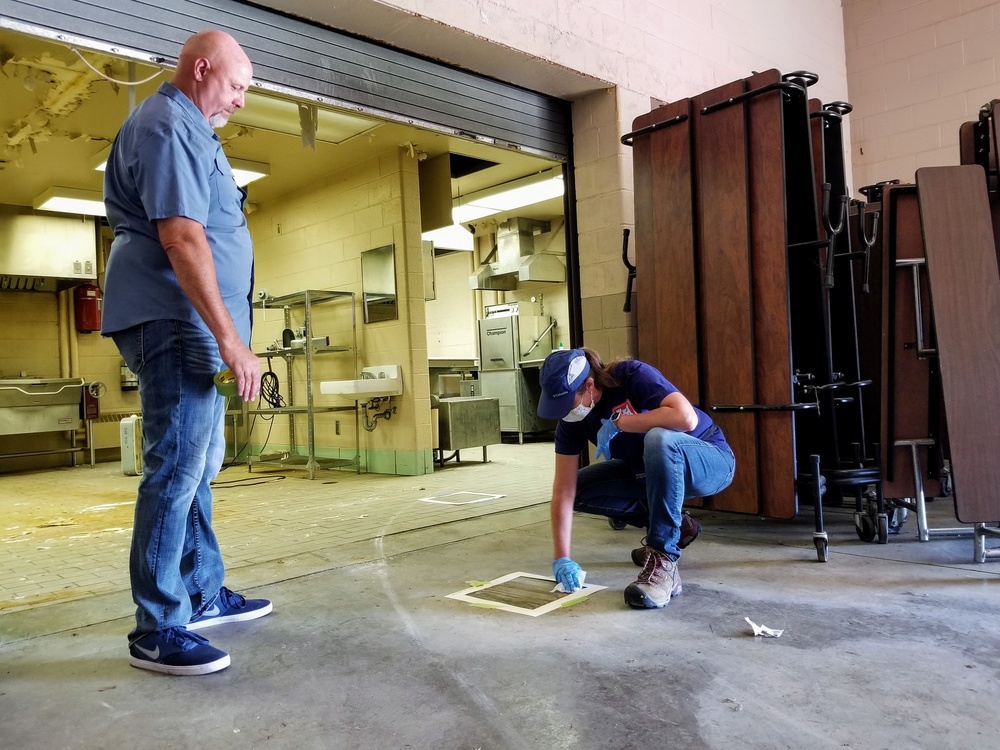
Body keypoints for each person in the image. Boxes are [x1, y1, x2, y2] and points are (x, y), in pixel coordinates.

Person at [102, 29, 271, 676]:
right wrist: (233, 341)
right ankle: (158, 625)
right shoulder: (167, 124)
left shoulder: (197, 130)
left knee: (197, 469)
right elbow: (181, 237)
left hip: (191, 324)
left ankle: (201, 593)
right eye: (236, 85)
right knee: (174, 470)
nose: (241, 99)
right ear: (202, 69)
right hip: (173, 320)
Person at [537, 347, 735, 609]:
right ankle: (676, 527)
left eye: (567, 403)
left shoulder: (630, 375)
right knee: (581, 489)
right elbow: (564, 490)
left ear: (589, 384)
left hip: (709, 460)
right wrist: (562, 557)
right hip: (648, 473)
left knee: (660, 438)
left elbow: (684, 417)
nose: (564, 413)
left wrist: (621, 423)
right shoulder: (572, 422)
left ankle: (664, 560)